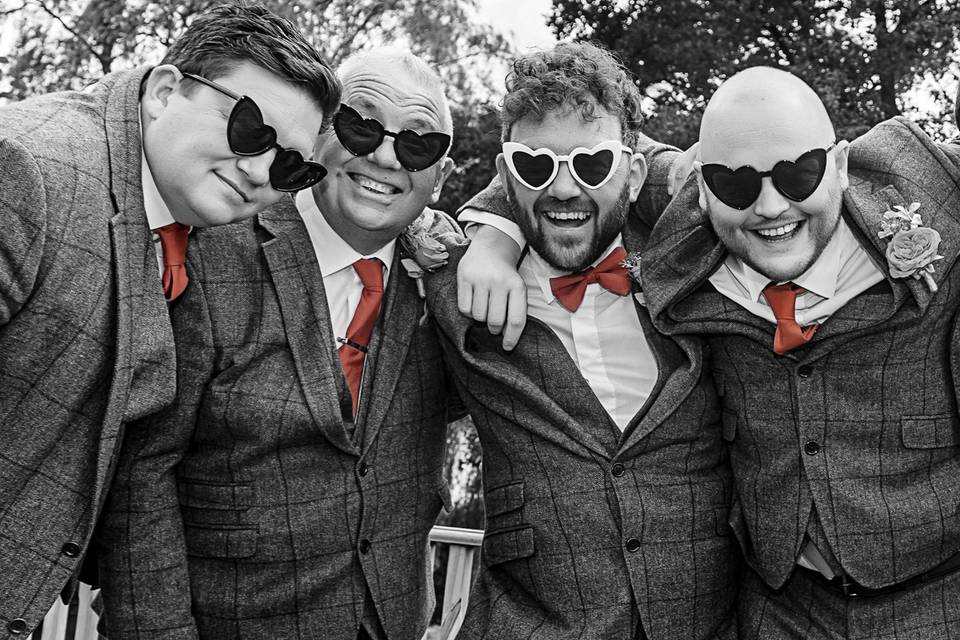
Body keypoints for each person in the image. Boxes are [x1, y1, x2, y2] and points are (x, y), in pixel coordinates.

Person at [97, 48, 462, 640]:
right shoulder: (211, 247)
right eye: (360, 125)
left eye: (419, 144)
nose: (387, 155)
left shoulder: (453, 282)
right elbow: (143, 473)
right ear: (317, 138)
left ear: (440, 178)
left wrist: (494, 231)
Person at [0, 2, 338, 635]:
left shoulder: (187, 214)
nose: (263, 173)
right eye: (249, 129)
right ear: (163, 91)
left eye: (292, 165)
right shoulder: (27, 171)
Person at [423, 42, 737, 640]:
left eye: (591, 165)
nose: (564, 189)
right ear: (507, 172)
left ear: (633, 170)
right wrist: (485, 236)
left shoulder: (700, 266)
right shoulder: (451, 291)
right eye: (536, 167)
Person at [637, 66, 960, 638]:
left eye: (797, 174)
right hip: (780, 612)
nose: (768, 207)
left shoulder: (931, 198)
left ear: (837, 164)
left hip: (937, 603)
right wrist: (494, 231)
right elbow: (572, 156)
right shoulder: (689, 265)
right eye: (735, 185)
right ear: (703, 190)